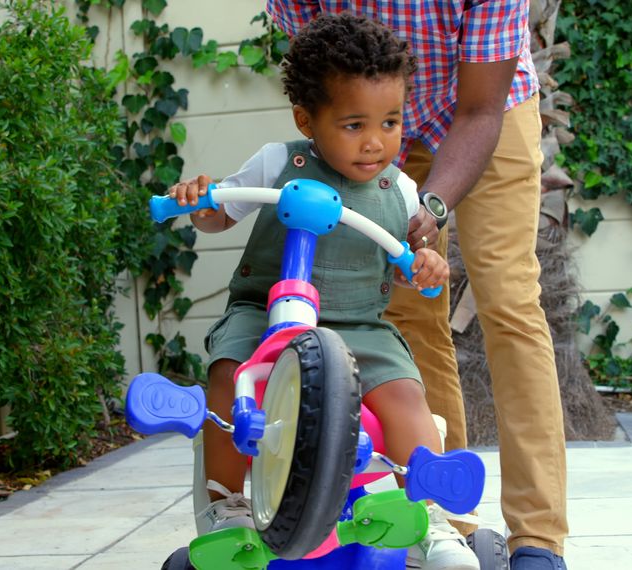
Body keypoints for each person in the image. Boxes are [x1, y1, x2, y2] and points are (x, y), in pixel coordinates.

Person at [168, 13, 481, 570]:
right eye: (354, 125)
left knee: (406, 393)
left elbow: (410, 261)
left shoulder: (402, 188)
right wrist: (199, 201)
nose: (376, 143)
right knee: (228, 375)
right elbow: (220, 214)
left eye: (390, 122)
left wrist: (429, 264)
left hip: (359, 325)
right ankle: (228, 505)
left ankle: (427, 516)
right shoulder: (278, 163)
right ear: (307, 119)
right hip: (265, 313)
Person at [266, 3, 569, 570]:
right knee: (404, 315)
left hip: (484, 112)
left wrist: (432, 204)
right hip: (375, 114)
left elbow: (479, 111)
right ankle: (441, 522)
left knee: (507, 301)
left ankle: (538, 538)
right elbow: (321, 74)